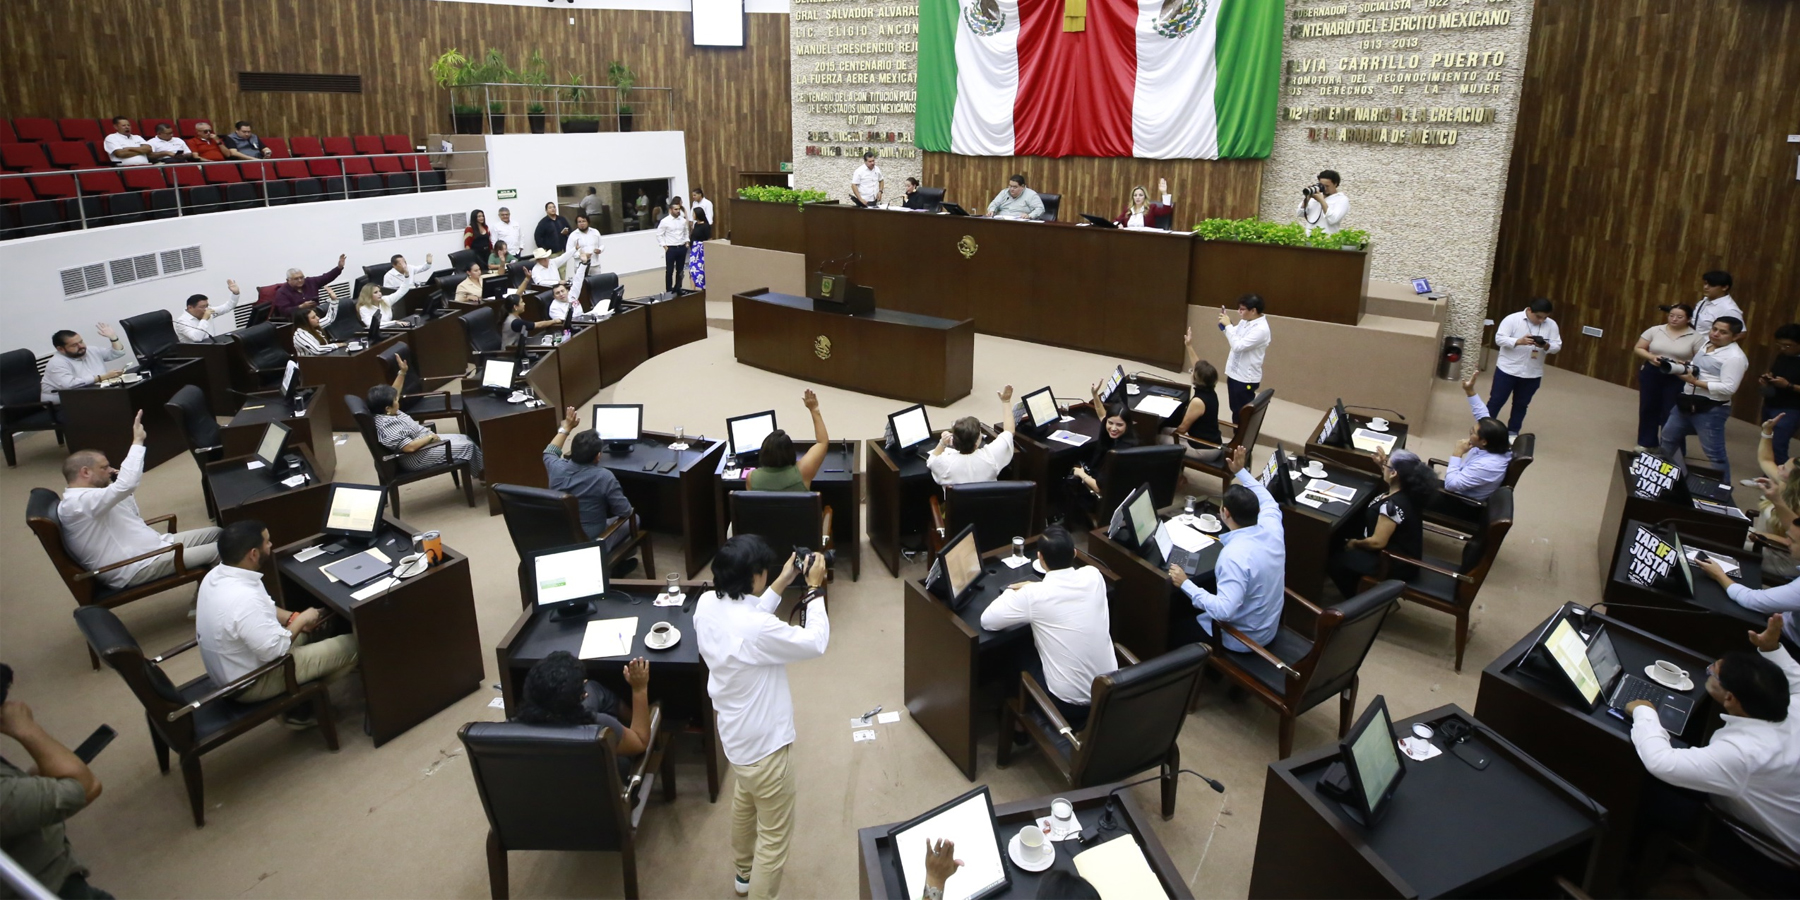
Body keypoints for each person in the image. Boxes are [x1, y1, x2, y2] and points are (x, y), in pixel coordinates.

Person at [693, 537, 829, 900]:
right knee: (773, 838)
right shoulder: (756, 630)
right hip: (767, 750)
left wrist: (782, 581)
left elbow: (749, 618)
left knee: (745, 801)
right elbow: (815, 642)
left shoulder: (706, 604)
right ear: (753, 576)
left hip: (736, 740)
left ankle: (743, 874)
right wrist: (814, 590)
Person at [1626, 616, 1800, 876]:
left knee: (1638, 788)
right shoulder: (1792, 704)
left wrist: (1645, 711)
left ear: (1730, 698)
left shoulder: (1745, 752)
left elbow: (1660, 763)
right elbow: (1796, 677)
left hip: (1770, 851)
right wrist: (1771, 647)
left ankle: (1633, 869)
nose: (1709, 671)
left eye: (1713, 673)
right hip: (1774, 803)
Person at [194, 521, 359, 722]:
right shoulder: (244, 598)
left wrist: (292, 618)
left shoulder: (217, 576)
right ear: (253, 554)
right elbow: (275, 650)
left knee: (322, 626)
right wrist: (302, 619)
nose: (271, 545)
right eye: (267, 542)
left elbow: (264, 609)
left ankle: (306, 687)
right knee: (355, 644)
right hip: (252, 681)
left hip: (238, 665)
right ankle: (302, 703)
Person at [59, 412, 221, 589]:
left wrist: (119, 486)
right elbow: (127, 485)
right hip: (135, 566)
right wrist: (137, 441)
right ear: (85, 472)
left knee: (218, 533)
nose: (110, 470)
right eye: (104, 467)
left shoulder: (93, 496)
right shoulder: (78, 503)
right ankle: (213, 599)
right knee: (221, 551)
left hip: (152, 547)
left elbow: (133, 514)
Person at [980, 527, 1115, 727]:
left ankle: (1015, 725)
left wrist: (1013, 590)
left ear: (1040, 558)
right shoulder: (1093, 576)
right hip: (1109, 692)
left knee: (1014, 650)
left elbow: (987, 621)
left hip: (1068, 705)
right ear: (1074, 553)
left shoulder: (1035, 595)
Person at [1, 665, 111, 900]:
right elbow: (85, 787)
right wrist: (28, 731)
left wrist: (49, 771)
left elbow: (14, 798)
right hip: (47, 888)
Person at [1166, 446, 1285, 651]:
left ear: (1225, 513)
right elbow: (1268, 500)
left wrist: (1185, 583)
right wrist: (1240, 471)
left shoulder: (1234, 556)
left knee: (1171, 628)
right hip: (1266, 625)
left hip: (1242, 639)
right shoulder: (1273, 527)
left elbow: (1223, 611)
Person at [1328, 447, 1438, 599]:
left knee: (1335, 560)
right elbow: (1392, 478)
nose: (1384, 466)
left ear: (1394, 473)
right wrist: (1382, 465)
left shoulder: (1391, 507)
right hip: (1404, 553)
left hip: (1393, 562)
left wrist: (1354, 543)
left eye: (1387, 465)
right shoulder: (1410, 490)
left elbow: (1377, 543)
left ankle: (1360, 600)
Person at [514, 652, 653, 763]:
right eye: (581, 689)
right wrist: (639, 689)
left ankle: (632, 717)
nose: (585, 684)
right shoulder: (599, 728)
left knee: (594, 688)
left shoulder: (513, 729)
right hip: (602, 779)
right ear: (580, 698)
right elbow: (640, 743)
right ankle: (642, 720)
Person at [545, 407, 638, 567]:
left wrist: (566, 427)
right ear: (598, 456)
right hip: (591, 541)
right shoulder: (604, 477)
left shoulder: (555, 467)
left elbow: (550, 451)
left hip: (561, 537)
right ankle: (614, 565)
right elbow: (624, 511)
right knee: (634, 519)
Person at [1660, 315, 1748, 483]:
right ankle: (1664, 480)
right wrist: (1685, 366)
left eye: (1723, 332)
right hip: (1686, 402)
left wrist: (1695, 382)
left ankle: (1723, 492)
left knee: (1714, 455)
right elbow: (1701, 369)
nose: (1715, 334)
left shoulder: (1735, 357)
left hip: (1711, 410)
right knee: (1667, 440)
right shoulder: (1707, 344)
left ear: (1735, 336)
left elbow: (1729, 388)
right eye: (1714, 329)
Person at [369, 372, 483, 477]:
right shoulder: (388, 425)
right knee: (468, 447)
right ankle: (484, 476)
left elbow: (395, 391)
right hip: (418, 457)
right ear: (388, 408)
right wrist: (430, 438)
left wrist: (402, 373)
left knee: (465, 438)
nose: (397, 400)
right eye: (395, 400)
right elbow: (409, 447)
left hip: (423, 445)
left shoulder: (387, 411)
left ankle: (481, 470)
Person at [1488, 297, 1562, 435]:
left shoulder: (1552, 325)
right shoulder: (1512, 319)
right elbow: (1499, 339)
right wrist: (1519, 341)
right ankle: (1483, 431)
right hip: (1507, 370)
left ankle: (1512, 433)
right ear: (1529, 310)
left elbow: (1557, 346)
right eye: (1538, 317)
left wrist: (1545, 345)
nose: (1542, 321)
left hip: (1532, 373)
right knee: (1496, 401)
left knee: (1521, 405)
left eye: (1545, 318)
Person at [1634, 303, 1703, 451]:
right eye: (1671, 315)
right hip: (1653, 372)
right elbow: (1639, 348)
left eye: (1679, 317)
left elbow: (1701, 360)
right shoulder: (1655, 330)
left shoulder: (1696, 337)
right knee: (1648, 406)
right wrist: (1651, 357)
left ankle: (1672, 448)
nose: (1674, 319)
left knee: (1672, 411)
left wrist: (1686, 364)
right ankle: (1646, 442)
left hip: (1677, 375)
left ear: (1688, 319)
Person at [1441, 374, 1513, 501]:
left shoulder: (1487, 465)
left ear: (1484, 441)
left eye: (1472, 432)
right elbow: (1482, 415)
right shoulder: (1495, 441)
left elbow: (1450, 485)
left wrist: (1457, 454)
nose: (1470, 433)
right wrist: (1469, 391)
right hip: (1460, 484)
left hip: (1460, 502)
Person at [929, 386, 1018, 486]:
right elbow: (1009, 431)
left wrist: (942, 443)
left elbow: (931, 461)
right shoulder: (991, 456)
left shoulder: (945, 463)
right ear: (976, 443)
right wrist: (1006, 401)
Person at [748, 390, 830, 492]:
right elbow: (822, 442)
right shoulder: (803, 471)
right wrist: (814, 409)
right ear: (791, 453)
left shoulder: (751, 478)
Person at [1170, 327, 1225, 464]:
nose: (1191, 372)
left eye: (1192, 371)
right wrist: (1189, 345)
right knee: (1164, 429)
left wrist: (1170, 434)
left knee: (1157, 437)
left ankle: (1173, 473)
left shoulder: (1198, 402)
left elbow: (1182, 429)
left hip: (1204, 450)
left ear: (1196, 378)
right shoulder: (1210, 389)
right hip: (1212, 442)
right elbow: (1199, 367)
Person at [1073, 391, 1140, 499]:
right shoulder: (1123, 434)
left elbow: (1099, 488)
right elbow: (1102, 415)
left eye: (1119, 425)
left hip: (1106, 497)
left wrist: (1080, 473)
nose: (1113, 428)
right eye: (1110, 423)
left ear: (1127, 425)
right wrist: (1095, 395)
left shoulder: (1119, 453)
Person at [1218, 293, 1272, 421]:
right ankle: (1237, 433)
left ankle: (1241, 434)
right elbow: (1234, 336)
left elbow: (1238, 346)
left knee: (1242, 413)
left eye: (1242, 309)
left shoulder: (1261, 329)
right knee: (1235, 409)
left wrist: (1228, 326)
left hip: (1245, 379)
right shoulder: (1245, 321)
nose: (1239, 312)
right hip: (1234, 373)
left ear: (1253, 311)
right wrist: (1225, 325)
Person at [41, 325, 128, 404]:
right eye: (74, 345)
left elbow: (118, 353)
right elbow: (70, 385)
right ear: (60, 349)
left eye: (81, 342)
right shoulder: (56, 363)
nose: (81, 346)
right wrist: (102, 377)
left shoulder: (91, 350)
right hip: (64, 403)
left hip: (92, 394)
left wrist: (113, 337)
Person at [1759, 324, 1800, 464]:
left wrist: (1788, 385)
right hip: (1771, 403)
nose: (1783, 348)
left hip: (1791, 409)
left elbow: (1788, 383)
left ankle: (1782, 476)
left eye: (1787, 345)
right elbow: (1775, 372)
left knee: (1778, 446)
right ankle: (1768, 474)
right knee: (1767, 442)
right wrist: (1768, 378)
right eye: (1780, 345)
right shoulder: (1783, 355)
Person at [271, 254, 347, 317]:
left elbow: (326, 277)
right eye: (296, 279)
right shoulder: (282, 292)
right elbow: (284, 311)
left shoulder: (310, 282)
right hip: (299, 319)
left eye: (301, 277)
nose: (300, 280)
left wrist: (339, 268)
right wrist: (300, 307)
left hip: (317, 314)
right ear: (288, 280)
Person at [174, 281, 241, 343]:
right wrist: (204, 319)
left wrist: (235, 293)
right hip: (195, 350)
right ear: (190, 308)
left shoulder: (207, 311)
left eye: (207, 306)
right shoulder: (182, 322)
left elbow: (227, 307)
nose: (206, 309)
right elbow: (197, 338)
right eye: (202, 307)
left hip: (213, 346)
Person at [1295, 169, 1348, 235]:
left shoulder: (1341, 199)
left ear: (1335, 184)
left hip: (1327, 238)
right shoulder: (1315, 196)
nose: (1324, 188)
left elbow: (1332, 220)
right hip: (1309, 238)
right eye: (1322, 185)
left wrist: (1321, 201)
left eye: (1327, 186)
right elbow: (1300, 213)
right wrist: (1307, 198)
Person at [1692, 270, 1744, 334]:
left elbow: (1741, 333)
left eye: (1712, 285)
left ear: (1724, 287)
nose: (1705, 287)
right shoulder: (1704, 300)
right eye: (1705, 283)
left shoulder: (1729, 309)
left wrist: (1715, 340)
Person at [657, 204, 690, 293]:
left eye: (679, 209)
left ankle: (678, 287)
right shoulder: (665, 221)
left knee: (680, 270)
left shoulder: (683, 221)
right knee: (669, 271)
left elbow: (686, 232)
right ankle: (669, 289)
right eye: (676, 209)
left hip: (681, 247)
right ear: (671, 210)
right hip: (671, 248)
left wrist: (687, 242)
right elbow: (659, 234)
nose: (678, 211)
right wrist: (664, 246)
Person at [688, 207, 711, 290]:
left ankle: (703, 288)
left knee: (700, 270)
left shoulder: (705, 226)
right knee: (692, 269)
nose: (693, 215)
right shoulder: (696, 224)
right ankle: (692, 289)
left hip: (701, 250)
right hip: (694, 250)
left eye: (694, 214)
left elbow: (709, 238)